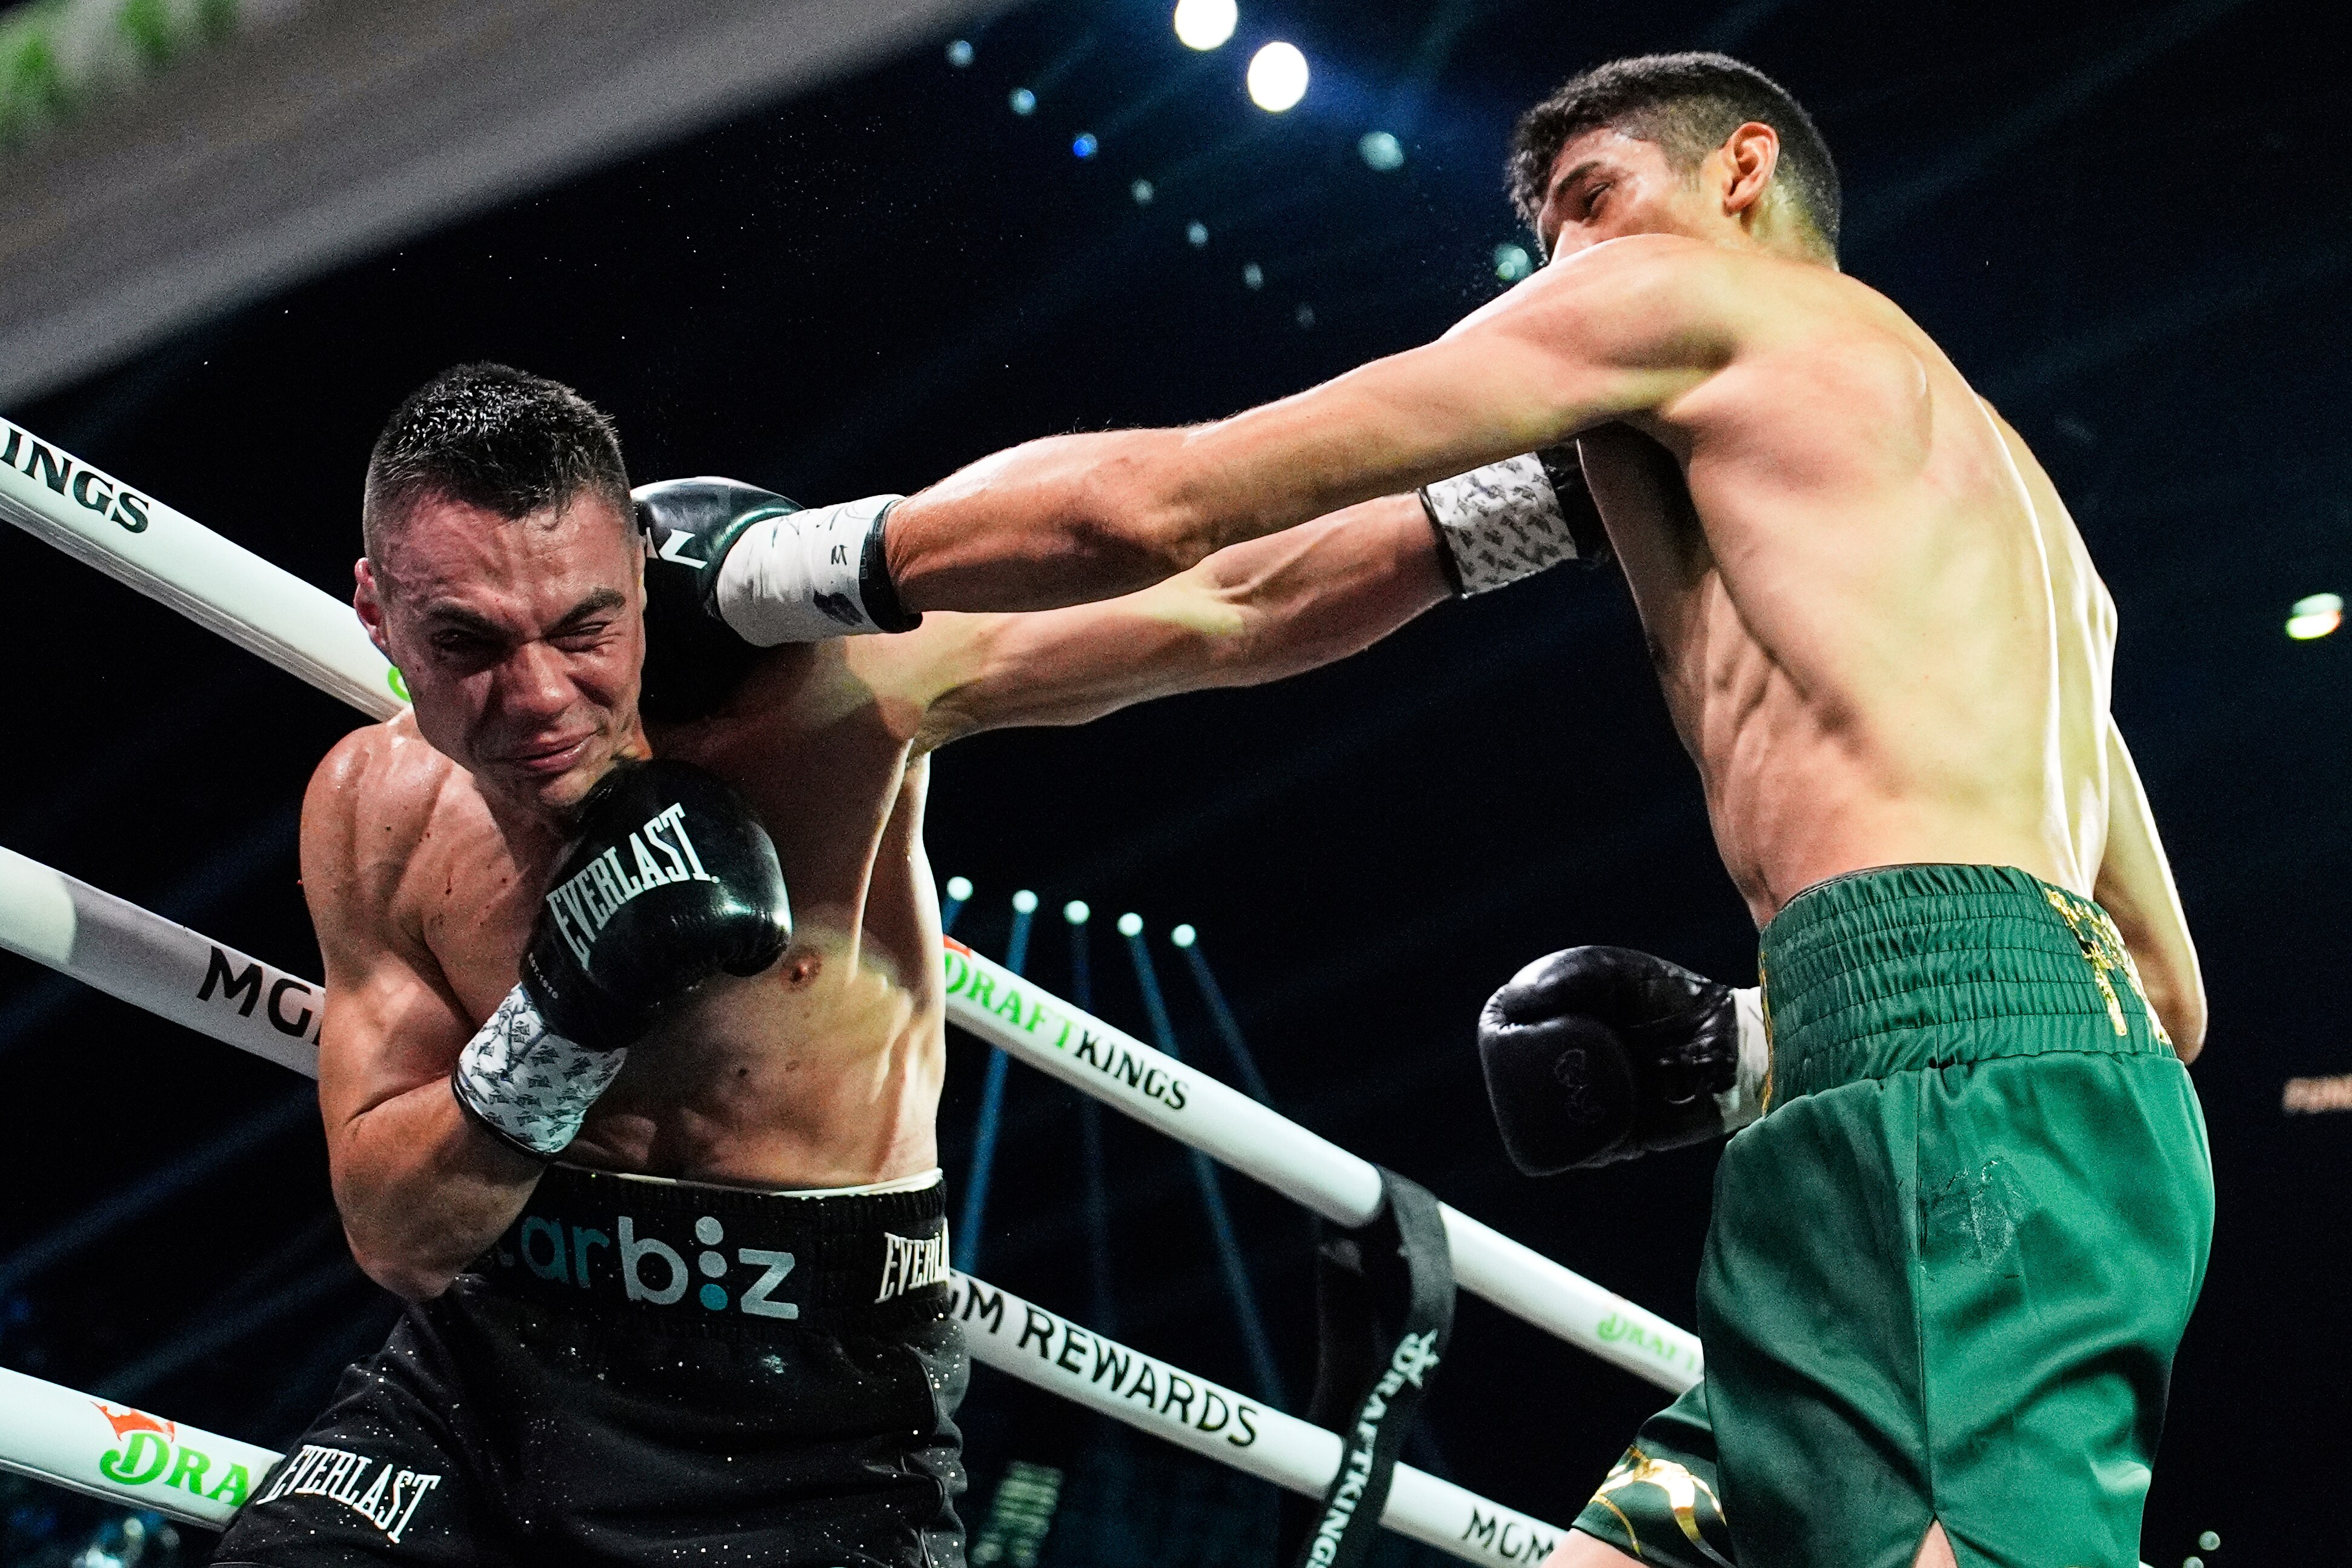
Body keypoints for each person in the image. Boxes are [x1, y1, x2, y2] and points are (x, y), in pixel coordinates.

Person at [728, 50, 2210, 1568]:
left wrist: (778, 575)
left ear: (1744, 174)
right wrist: (1761, 1038)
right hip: (1970, 1091)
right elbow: (2163, 995)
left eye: (1595, 199)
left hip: (1947, 1112)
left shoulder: (1680, 304)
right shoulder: (2001, 506)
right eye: (1551, 234)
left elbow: (1169, 509)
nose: (1567, 263)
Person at [214, 361, 1542, 1567]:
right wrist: (566, 1012)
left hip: (812, 1411)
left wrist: (1553, 498)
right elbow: (400, 1234)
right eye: (469, 644)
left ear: (635, 565)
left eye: (582, 627)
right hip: (490, 1372)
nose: (543, 696)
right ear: (377, 613)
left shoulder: (827, 699)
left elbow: (1232, 604)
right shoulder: (372, 808)